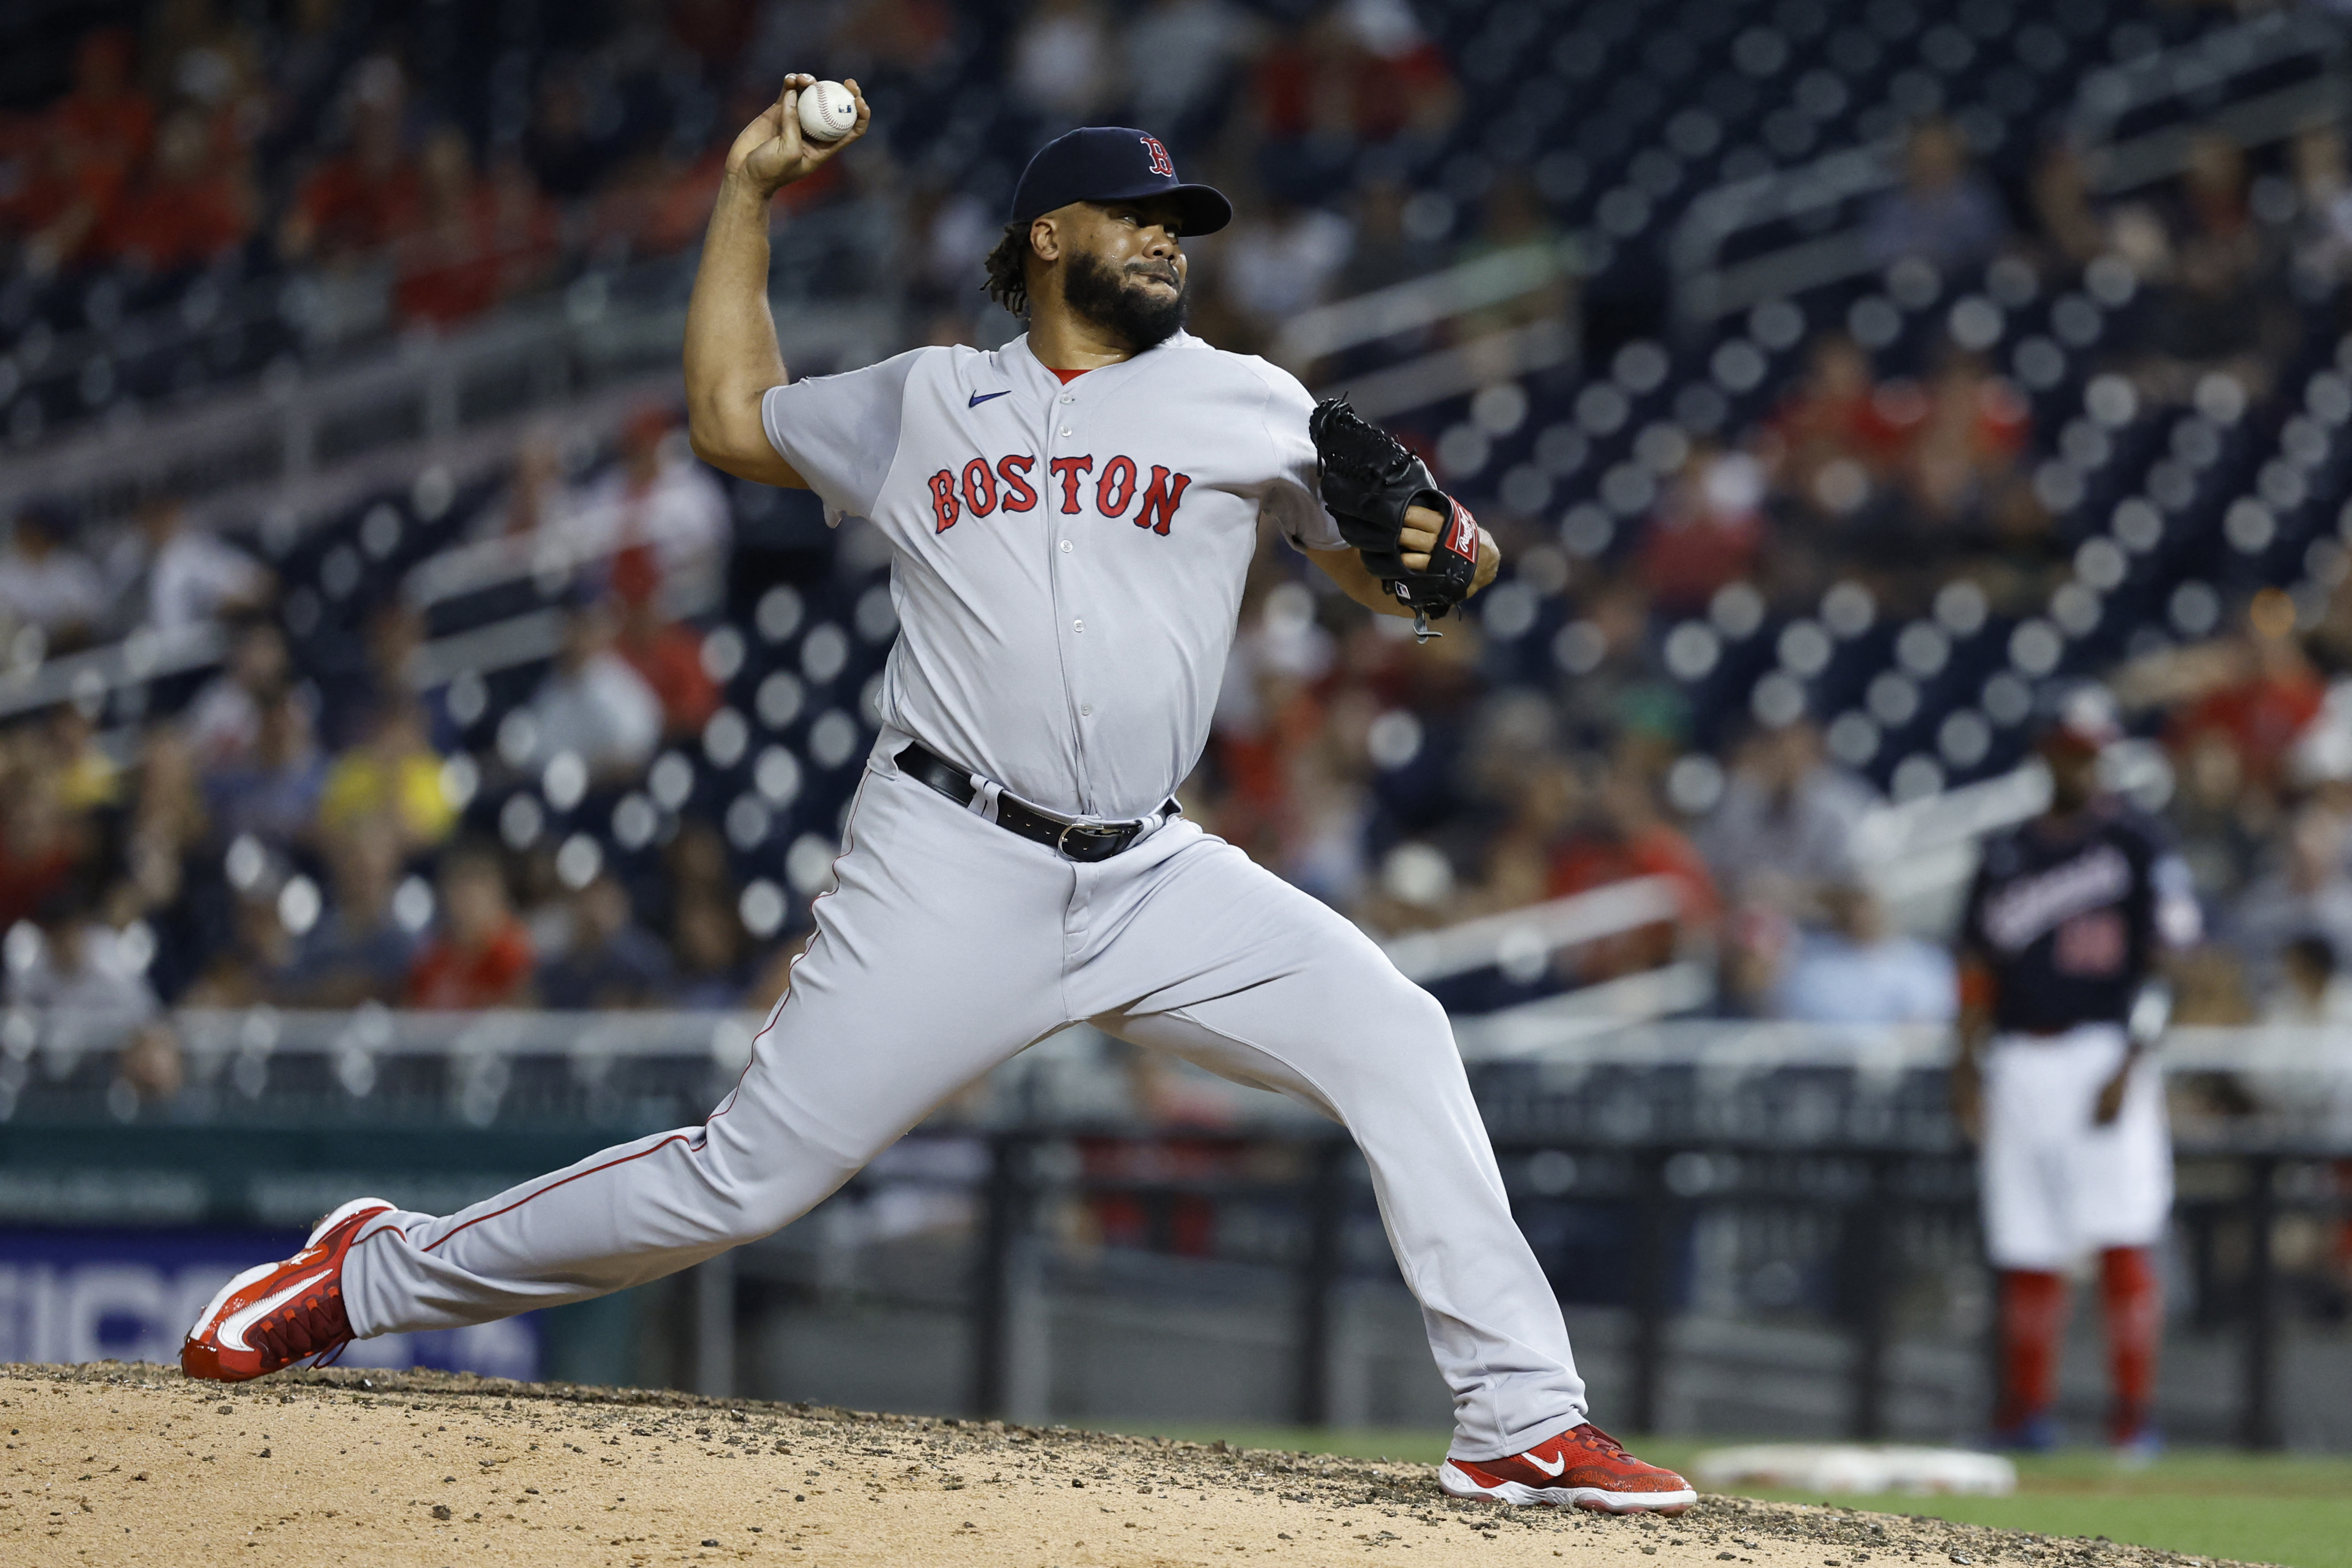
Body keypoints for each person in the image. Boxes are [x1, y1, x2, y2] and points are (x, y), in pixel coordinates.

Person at [181, 85, 1692, 1516]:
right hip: (950, 859)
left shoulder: (1247, 401)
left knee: (1397, 1035)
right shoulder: (924, 402)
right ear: (1049, 239)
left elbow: (1384, 565)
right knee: (744, 1178)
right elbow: (728, 412)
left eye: (1179, 219)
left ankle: (1518, 1423)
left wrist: (1444, 561)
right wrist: (746, 193)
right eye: (1133, 212)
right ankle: (370, 1275)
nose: (1168, 236)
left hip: (1156, 874)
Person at [1949, 695, 2203, 1457]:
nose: (2080, 762)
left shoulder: (2135, 842)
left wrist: (2134, 1056)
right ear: (2045, 754)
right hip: (2020, 1056)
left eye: (2091, 750)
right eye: (2068, 748)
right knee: (2026, 1239)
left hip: (2103, 1050)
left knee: (2122, 1232)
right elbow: (1974, 971)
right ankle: (2027, 1412)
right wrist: (1964, 1066)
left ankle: (2134, 1417)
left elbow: (2170, 962)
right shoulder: (2004, 851)